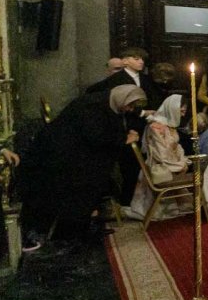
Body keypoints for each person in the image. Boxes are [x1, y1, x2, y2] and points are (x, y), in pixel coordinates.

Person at [18, 85, 143, 251]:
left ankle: (82, 228)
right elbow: (95, 135)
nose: (129, 109)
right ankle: (68, 235)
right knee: (81, 187)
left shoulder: (108, 102)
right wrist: (123, 138)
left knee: (94, 181)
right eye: (130, 105)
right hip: (61, 154)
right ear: (123, 98)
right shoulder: (92, 106)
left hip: (78, 152)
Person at [85, 47, 161, 204]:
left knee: (145, 162)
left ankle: (142, 200)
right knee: (129, 165)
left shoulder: (146, 79)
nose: (140, 62)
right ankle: (127, 200)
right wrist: (141, 113)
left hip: (144, 127)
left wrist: (152, 113)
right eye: (136, 58)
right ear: (125, 60)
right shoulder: (116, 79)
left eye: (142, 59)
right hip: (125, 126)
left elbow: (153, 97)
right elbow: (111, 100)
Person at [127, 94, 191, 222]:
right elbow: (160, 155)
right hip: (160, 167)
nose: (183, 115)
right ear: (172, 109)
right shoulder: (156, 127)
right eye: (181, 111)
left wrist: (182, 159)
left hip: (172, 162)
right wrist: (180, 164)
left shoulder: (169, 124)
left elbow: (176, 147)